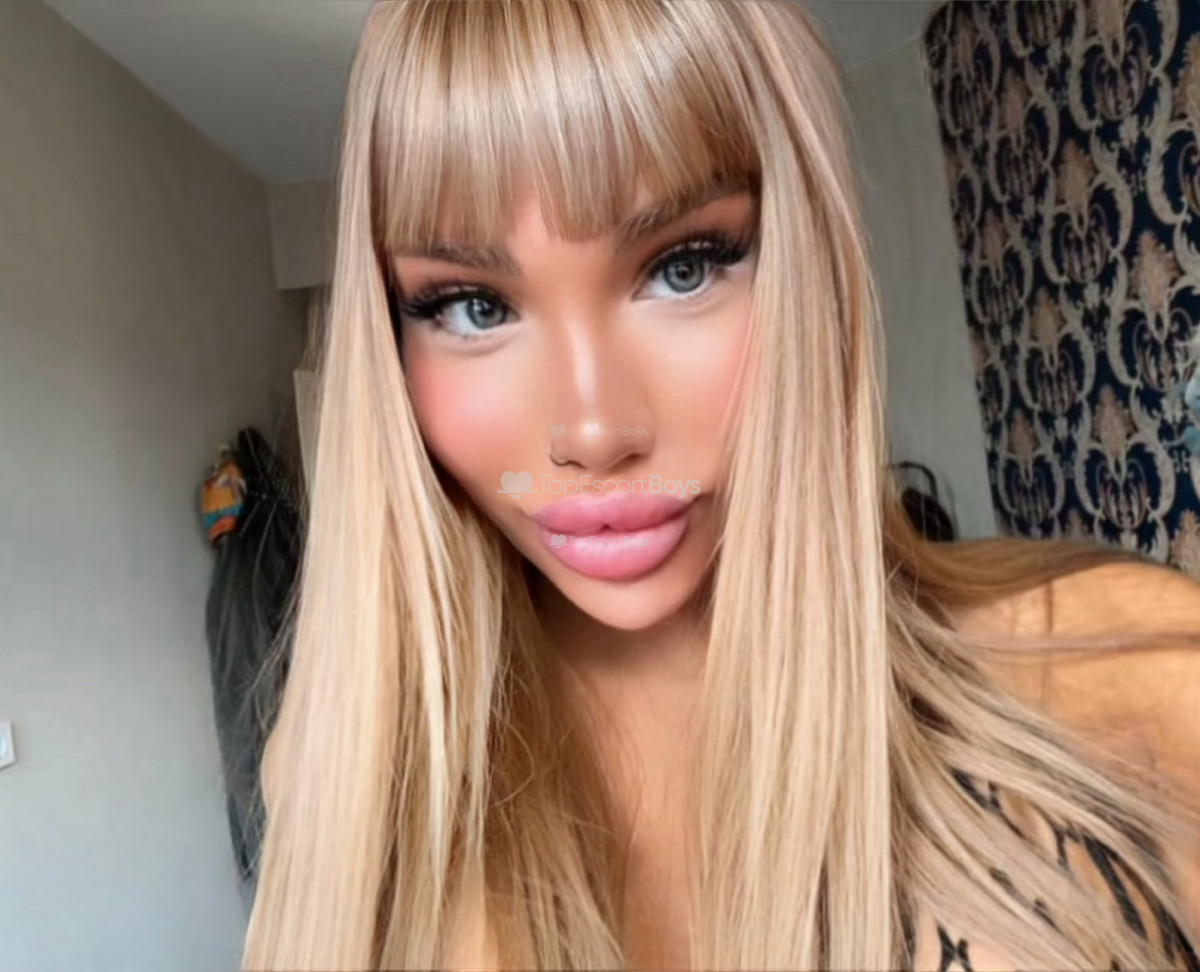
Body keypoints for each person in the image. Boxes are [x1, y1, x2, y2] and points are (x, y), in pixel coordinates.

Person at [239, 2, 1200, 969]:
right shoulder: (339, 785)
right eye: (472, 307)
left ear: (807, 260)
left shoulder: (1137, 676)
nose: (592, 432)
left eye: (685, 268)